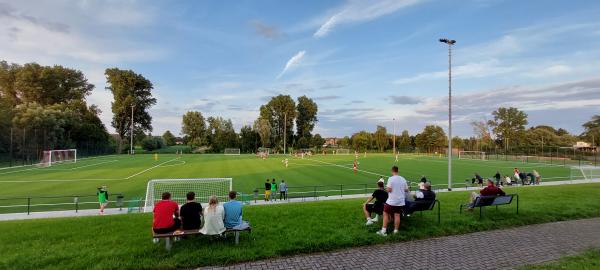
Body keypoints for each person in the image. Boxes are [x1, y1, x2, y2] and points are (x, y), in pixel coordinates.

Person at [377, 166, 408, 236]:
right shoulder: (403, 179)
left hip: (392, 201)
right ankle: (396, 231)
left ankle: (383, 230)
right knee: (397, 215)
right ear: (398, 171)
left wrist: (386, 189)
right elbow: (406, 189)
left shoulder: (391, 179)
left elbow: (389, 190)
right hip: (400, 201)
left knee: (385, 213)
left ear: (392, 171)